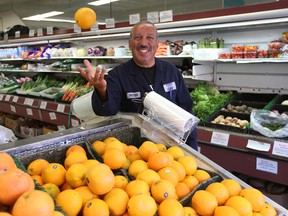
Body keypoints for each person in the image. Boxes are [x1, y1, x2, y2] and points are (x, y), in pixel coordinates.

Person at [78, 20, 198, 150]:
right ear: (130, 44)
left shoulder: (171, 71)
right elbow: (108, 111)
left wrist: (192, 148)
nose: (143, 43)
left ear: (157, 43)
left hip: (170, 147)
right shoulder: (117, 75)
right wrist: (101, 89)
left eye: (150, 37)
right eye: (137, 37)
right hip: (135, 149)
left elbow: (186, 112)